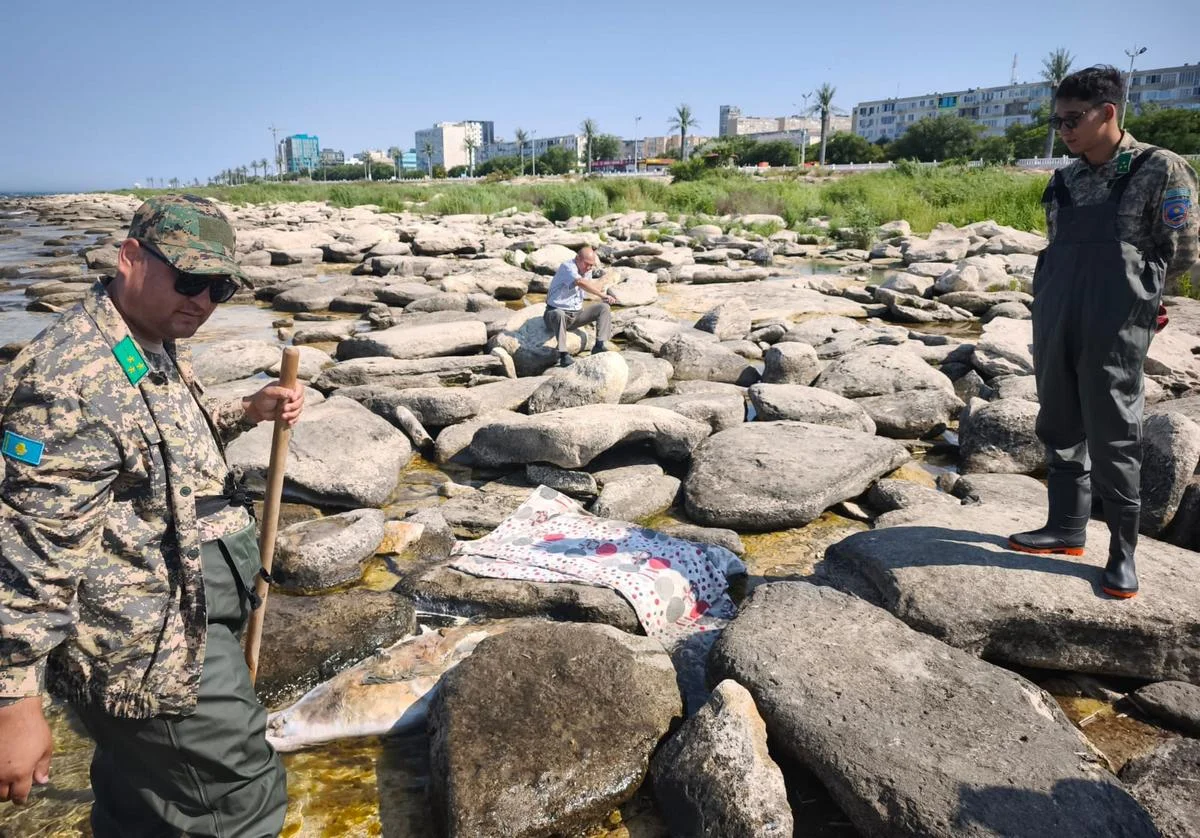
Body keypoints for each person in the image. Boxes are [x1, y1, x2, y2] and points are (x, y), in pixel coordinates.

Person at [0, 195, 304, 835]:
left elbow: (157, 444)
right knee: (236, 798)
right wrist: (14, 697)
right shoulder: (67, 378)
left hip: (189, 604)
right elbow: (30, 548)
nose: (202, 300)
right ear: (130, 257)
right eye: (189, 279)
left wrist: (246, 411)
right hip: (144, 644)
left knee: (144, 802)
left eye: (219, 288)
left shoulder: (152, 336)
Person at [1007, 66, 1199, 599]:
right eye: (1057, 119)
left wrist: (1144, 299)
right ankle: (1066, 528)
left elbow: (1181, 252)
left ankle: (1122, 552)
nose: (1063, 129)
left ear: (1108, 113)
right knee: (1059, 417)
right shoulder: (1065, 178)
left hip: (1117, 318)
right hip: (1058, 312)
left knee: (1114, 431)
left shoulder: (1158, 168)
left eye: (1073, 119)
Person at [543, 245, 617, 367]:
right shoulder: (567, 267)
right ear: (577, 258)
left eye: (592, 265)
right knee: (559, 313)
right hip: (555, 314)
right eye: (587, 264)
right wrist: (602, 295)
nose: (589, 268)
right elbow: (580, 282)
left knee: (604, 308)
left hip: (576, 316)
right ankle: (563, 355)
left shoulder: (587, 271)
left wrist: (607, 287)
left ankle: (599, 345)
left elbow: (590, 286)